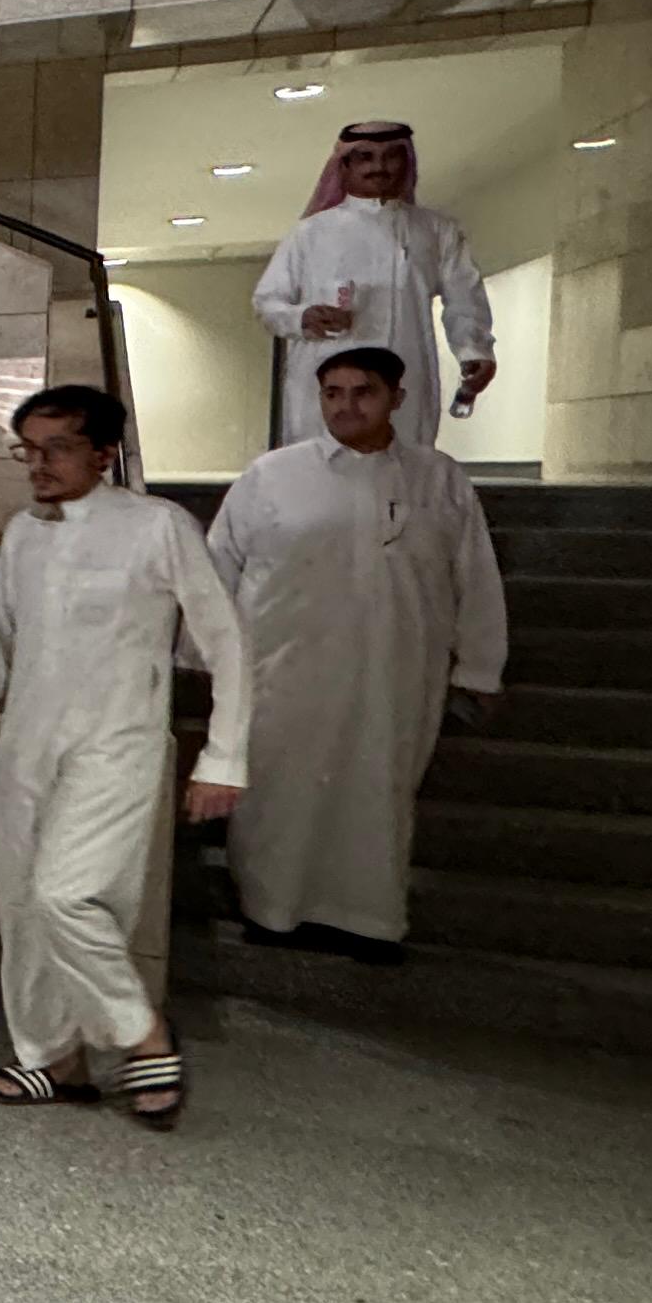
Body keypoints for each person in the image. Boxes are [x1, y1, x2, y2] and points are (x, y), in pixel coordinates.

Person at [0, 383, 251, 1128]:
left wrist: (224, 758)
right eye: (29, 450)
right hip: (23, 749)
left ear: (104, 455)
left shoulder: (158, 526)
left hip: (117, 747)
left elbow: (227, 643)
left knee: (65, 897)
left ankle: (142, 1034)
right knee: (25, 913)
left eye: (59, 448)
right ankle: (54, 1061)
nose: (39, 464)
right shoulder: (23, 533)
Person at [207, 346, 508, 965]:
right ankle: (269, 910)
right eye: (332, 393)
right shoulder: (272, 476)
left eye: (363, 392)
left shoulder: (438, 479)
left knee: (378, 791)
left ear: (397, 397)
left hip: (395, 669)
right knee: (279, 791)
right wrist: (205, 659)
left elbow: (475, 577)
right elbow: (217, 568)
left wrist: (479, 668)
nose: (346, 406)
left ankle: (369, 921)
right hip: (284, 670)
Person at [248, 119, 495, 452]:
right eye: (365, 157)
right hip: (321, 388)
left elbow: (465, 298)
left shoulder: (436, 231)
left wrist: (473, 350)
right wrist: (303, 317)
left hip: (404, 383)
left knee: (402, 472)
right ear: (344, 166)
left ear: (406, 162)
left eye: (391, 156)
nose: (379, 167)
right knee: (318, 473)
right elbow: (267, 302)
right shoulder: (309, 234)